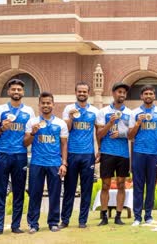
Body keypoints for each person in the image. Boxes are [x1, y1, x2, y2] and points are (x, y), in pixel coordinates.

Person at [0, 79, 35, 236]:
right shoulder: (0, 109)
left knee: (19, 191)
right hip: (2, 154)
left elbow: (28, 135)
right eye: (14, 89)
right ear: (8, 91)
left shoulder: (29, 111)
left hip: (20, 155)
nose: (16, 92)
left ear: (23, 92)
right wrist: (0, 128)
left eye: (19, 89)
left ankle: (16, 225)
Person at [24, 92, 68, 233]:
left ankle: (53, 222)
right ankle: (33, 224)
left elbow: (64, 144)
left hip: (54, 163)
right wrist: (33, 133)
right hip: (37, 163)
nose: (46, 105)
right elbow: (25, 143)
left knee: (55, 194)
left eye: (48, 103)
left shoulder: (60, 123)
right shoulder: (32, 122)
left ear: (53, 105)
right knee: (34, 194)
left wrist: (64, 163)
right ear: (39, 105)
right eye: (43, 103)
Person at [59, 82, 99, 229]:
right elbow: (66, 130)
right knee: (69, 189)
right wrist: (70, 118)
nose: (82, 94)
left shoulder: (94, 111)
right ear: (75, 92)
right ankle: (65, 220)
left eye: (84, 91)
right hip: (72, 154)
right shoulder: (68, 109)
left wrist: (99, 149)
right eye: (79, 91)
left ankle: (83, 221)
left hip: (88, 154)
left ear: (88, 93)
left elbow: (98, 131)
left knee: (86, 189)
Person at [128, 85, 157, 226]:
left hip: (155, 154)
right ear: (141, 96)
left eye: (151, 93)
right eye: (145, 93)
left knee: (151, 185)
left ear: (154, 96)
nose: (148, 95)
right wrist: (138, 123)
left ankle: (149, 216)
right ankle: (137, 217)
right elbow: (129, 136)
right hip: (139, 152)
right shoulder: (134, 113)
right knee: (138, 185)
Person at [96, 82, 132, 226]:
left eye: (124, 92)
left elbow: (132, 134)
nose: (121, 94)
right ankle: (104, 216)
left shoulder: (130, 113)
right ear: (113, 93)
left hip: (123, 154)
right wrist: (109, 124)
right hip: (107, 152)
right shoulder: (103, 112)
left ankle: (118, 216)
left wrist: (121, 134)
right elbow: (99, 134)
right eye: (119, 92)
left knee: (121, 184)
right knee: (105, 185)